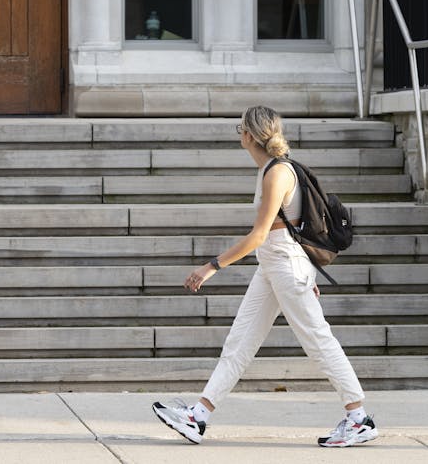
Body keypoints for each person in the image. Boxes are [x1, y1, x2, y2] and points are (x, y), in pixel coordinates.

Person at [152, 106, 377, 448]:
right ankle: (198, 416)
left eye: (239, 128)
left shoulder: (277, 173)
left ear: (249, 135)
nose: (238, 134)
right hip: (275, 267)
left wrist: (210, 266)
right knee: (240, 341)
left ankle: (358, 418)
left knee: (318, 341)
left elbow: (259, 235)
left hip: (284, 267)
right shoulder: (270, 170)